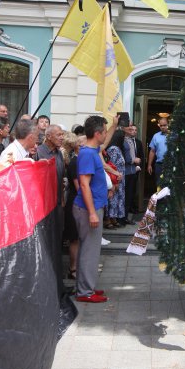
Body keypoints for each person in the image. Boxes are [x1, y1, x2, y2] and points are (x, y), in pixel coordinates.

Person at [72, 115, 114, 303]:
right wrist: (91, 212)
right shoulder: (88, 154)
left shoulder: (92, 149)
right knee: (90, 252)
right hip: (88, 208)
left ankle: (84, 287)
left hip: (92, 207)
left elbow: (105, 143)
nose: (106, 134)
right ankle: (85, 292)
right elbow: (84, 185)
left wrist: (114, 125)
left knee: (87, 250)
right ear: (97, 134)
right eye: (104, 131)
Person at [63, 133, 86, 279]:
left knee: (80, 237)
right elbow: (79, 188)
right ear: (78, 146)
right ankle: (73, 268)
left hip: (80, 201)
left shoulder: (80, 160)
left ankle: (79, 266)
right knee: (75, 238)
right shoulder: (74, 163)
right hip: (75, 202)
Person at [105, 130, 126, 228]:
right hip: (115, 179)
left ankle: (113, 218)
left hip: (119, 178)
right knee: (112, 199)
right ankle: (108, 220)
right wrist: (115, 181)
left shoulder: (118, 148)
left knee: (116, 199)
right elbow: (112, 166)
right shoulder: (114, 149)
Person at [123, 124, 142, 221]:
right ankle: (124, 218)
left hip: (133, 171)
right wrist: (134, 160)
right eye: (130, 127)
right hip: (126, 172)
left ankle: (126, 217)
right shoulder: (123, 140)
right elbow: (127, 157)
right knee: (126, 195)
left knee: (130, 194)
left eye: (134, 129)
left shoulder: (135, 141)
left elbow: (141, 155)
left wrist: (138, 166)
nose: (132, 130)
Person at [147, 117, 168, 185]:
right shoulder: (156, 136)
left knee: (170, 187)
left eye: (164, 125)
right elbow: (152, 151)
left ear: (169, 124)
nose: (162, 127)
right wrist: (149, 165)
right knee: (159, 185)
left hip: (171, 164)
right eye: (161, 125)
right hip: (159, 165)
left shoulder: (174, 135)